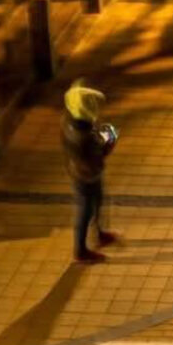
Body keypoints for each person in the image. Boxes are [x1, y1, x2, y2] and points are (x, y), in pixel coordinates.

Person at [61, 81, 119, 263]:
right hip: (85, 175)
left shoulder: (70, 121)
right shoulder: (83, 136)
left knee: (98, 200)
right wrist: (109, 144)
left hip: (81, 171)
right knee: (85, 210)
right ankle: (81, 251)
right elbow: (98, 155)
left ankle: (99, 233)